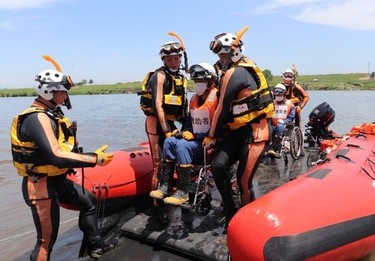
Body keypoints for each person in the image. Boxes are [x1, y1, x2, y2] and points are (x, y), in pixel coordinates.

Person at [10, 67, 115, 260]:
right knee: (46, 241)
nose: (65, 95)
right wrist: (94, 159)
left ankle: (95, 246)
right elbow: (55, 156)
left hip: (58, 180)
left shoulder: (52, 114)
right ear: (48, 92)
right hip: (41, 185)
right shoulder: (36, 118)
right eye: (62, 91)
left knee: (89, 202)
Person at [203, 31, 275, 227]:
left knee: (244, 182)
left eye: (224, 55)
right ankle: (230, 209)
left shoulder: (238, 72)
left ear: (234, 52)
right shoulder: (229, 71)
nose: (221, 60)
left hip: (255, 133)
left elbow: (222, 107)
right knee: (218, 167)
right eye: (219, 56)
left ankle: (246, 223)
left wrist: (211, 136)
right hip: (236, 131)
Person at [149, 63, 219, 206]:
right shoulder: (194, 100)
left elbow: (220, 125)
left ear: (211, 81)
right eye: (197, 81)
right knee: (169, 142)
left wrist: (196, 136)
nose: (199, 84)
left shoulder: (217, 98)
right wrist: (181, 132)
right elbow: (189, 123)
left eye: (202, 81)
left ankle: (183, 191)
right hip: (195, 142)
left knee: (181, 145)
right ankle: (165, 186)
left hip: (209, 144)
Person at [139, 41, 188, 211]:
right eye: (169, 59)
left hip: (171, 122)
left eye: (176, 58)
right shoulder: (159, 76)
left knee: (171, 159)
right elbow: (158, 104)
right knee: (157, 163)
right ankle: (156, 205)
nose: (173, 62)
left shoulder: (180, 77)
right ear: (163, 60)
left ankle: (172, 191)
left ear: (180, 58)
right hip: (156, 123)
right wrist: (166, 130)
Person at [266, 83, 296, 158]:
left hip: (284, 125)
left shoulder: (290, 105)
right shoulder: (272, 103)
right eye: (276, 96)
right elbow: (268, 115)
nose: (278, 97)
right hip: (272, 124)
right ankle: (266, 146)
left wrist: (284, 122)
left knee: (280, 126)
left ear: (284, 94)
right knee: (267, 128)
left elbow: (291, 117)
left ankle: (275, 147)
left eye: (279, 95)